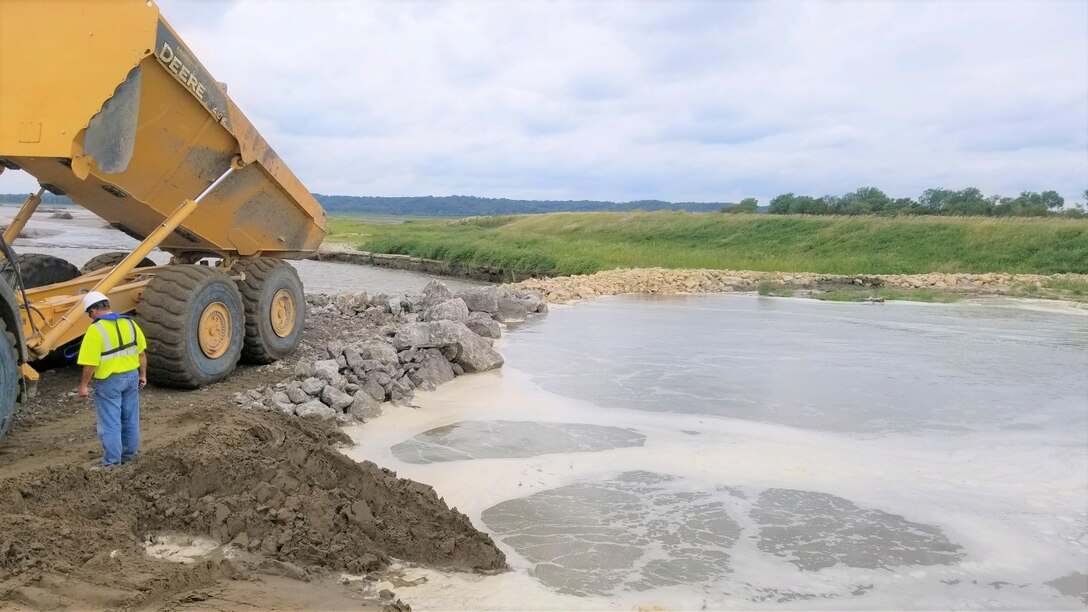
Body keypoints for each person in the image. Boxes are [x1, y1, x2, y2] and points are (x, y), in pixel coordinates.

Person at [76, 290, 148, 467]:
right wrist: (143, 375)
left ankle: (111, 463)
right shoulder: (130, 324)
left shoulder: (95, 330)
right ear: (107, 305)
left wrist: (83, 385)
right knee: (130, 419)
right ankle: (129, 456)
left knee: (110, 423)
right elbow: (142, 354)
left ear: (92, 311)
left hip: (109, 381)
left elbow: (91, 363)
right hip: (131, 377)